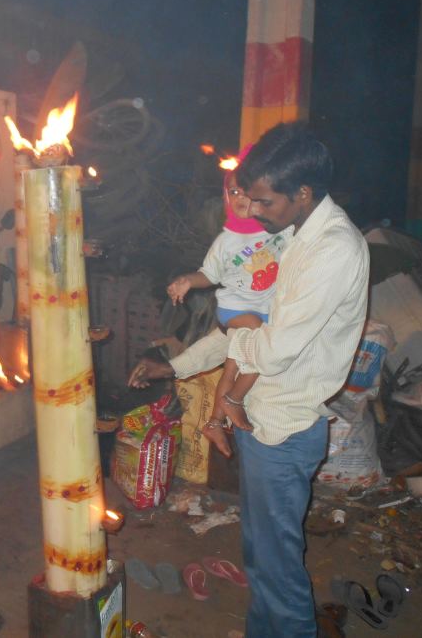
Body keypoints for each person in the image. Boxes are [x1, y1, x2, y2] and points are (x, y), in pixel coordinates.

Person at [132, 122, 369, 637]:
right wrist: (179, 366)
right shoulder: (292, 236)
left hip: (283, 427)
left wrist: (237, 330)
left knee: (277, 568)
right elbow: (245, 328)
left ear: (302, 192)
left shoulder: (332, 249)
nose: (254, 211)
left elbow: (271, 347)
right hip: (261, 418)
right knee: (262, 556)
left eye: (264, 201)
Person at [130, 161, 292, 455]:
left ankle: (215, 421)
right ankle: (233, 401)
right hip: (236, 311)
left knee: (232, 366)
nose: (241, 198)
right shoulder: (226, 241)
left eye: (248, 192)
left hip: (264, 313)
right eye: (234, 192)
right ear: (226, 196)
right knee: (259, 344)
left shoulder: (279, 232)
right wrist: (187, 281)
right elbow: (208, 274)